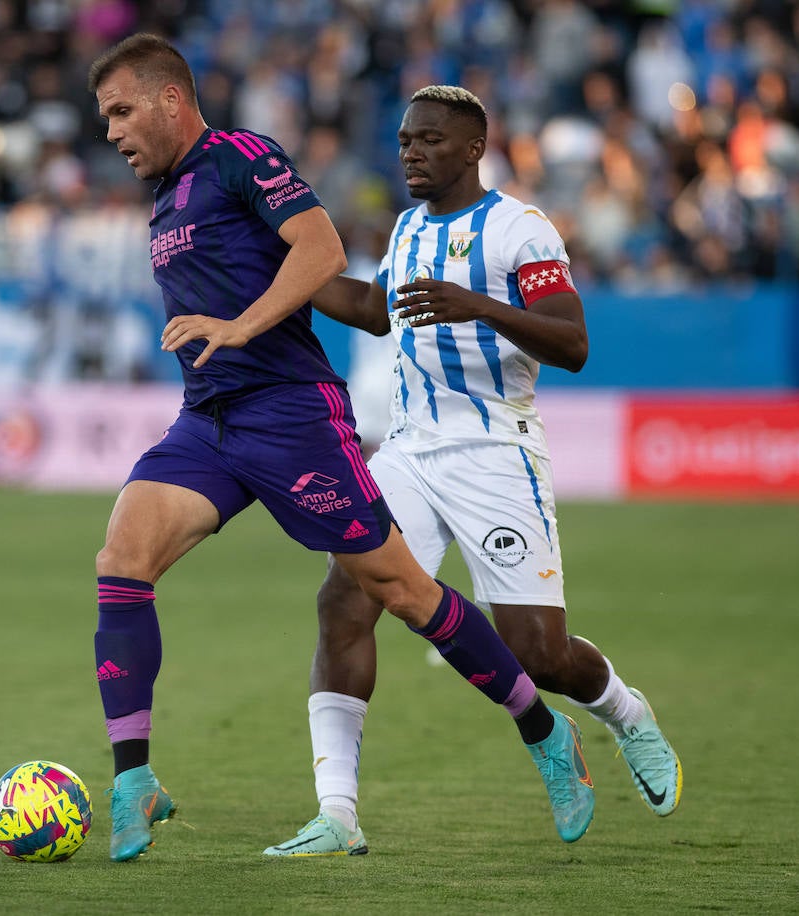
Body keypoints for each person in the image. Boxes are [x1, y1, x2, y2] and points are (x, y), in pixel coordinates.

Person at [86, 34, 596, 864]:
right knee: (122, 558)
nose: (110, 131)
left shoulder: (242, 157)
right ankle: (135, 780)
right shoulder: (166, 196)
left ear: (170, 100)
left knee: (400, 590)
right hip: (207, 418)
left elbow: (320, 250)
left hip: (290, 414)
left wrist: (239, 325)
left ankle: (544, 732)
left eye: (120, 111)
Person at [265, 85, 682, 857]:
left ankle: (626, 713)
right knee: (344, 603)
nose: (411, 153)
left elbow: (573, 344)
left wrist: (478, 306)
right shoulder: (409, 227)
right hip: (411, 452)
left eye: (427, 140)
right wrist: (284, 273)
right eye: (402, 142)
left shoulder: (520, 229)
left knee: (537, 655)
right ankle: (338, 812)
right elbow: (376, 308)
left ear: (471, 148)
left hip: (496, 454)